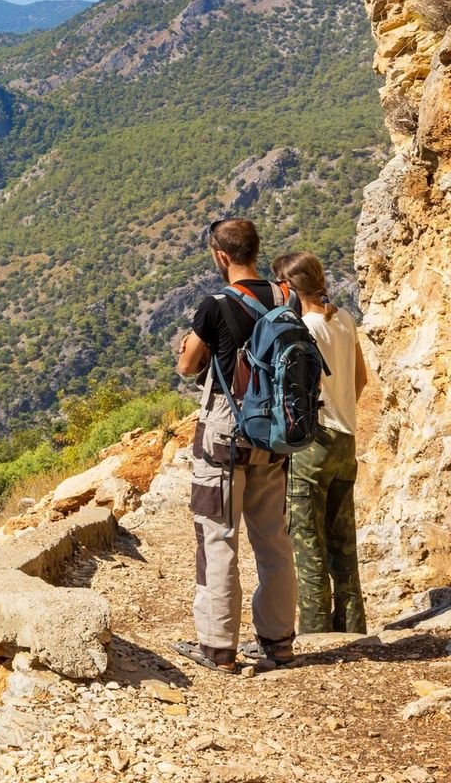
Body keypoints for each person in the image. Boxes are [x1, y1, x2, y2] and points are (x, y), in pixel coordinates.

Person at [174, 218, 297, 673]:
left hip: (226, 433)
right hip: (276, 434)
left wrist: (190, 343)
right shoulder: (287, 297)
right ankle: (279, 642)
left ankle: (218, 648)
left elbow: (188, 366)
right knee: (274, 540)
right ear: (255, 250)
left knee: (218, 536)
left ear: (221, 256)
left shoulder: (215, 304)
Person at [271, 251, 368, 634]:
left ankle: (316, 636)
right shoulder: (344, 319)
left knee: (308, 545)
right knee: (343, 544)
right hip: (346, 440)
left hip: (313, 445)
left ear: (291, 288)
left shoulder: (304, 328)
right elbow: (360, 379)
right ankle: (353, 629)